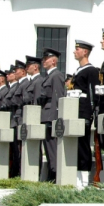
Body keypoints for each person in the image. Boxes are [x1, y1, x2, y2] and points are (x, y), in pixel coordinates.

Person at [71, 40, 101, 189]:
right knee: (77, 145)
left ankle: (84, 178)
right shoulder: (78, 71)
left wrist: (90, 114)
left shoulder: (91, 71)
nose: (74, 52)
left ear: (85, 52)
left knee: (83, 146)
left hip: (84, 113)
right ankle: (78, 176)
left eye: (77, 49)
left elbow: (92, 94)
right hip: (75, 112)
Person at [39, 48, 66, 182]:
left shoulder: (56, 75)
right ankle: (51, 172)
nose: (43, 61)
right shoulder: (49, 76)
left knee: (52, 148)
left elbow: (58, 96)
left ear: (54, 61)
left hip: (51, 115)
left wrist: (55, 117)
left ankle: (55, 174)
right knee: (48, 148)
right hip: (45, 115)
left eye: (46, 59)